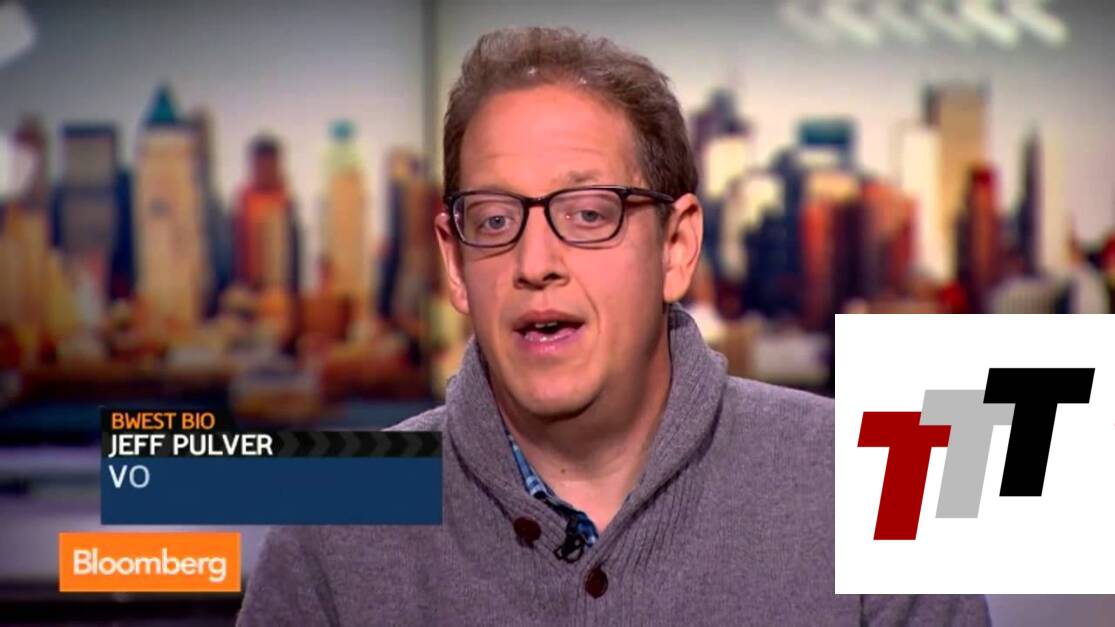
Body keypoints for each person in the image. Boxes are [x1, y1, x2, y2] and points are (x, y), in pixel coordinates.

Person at [239, 26, 989, 625]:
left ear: (676, 247)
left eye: (589, 214)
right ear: (455, 264)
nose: (535, 262)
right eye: (494, 220)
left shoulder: (872, 490)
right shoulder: (329, 533)